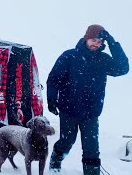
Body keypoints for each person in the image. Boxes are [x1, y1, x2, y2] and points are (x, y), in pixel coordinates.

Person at [46, 24, 129, 174]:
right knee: (66, 142)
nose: (96, 44)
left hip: (91, 113)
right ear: (86, 38)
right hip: (69, 111)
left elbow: (123, 68)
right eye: (94, 40)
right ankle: (56, 159)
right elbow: (53, 79)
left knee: (91, 149)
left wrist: (112, 42)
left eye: (100, 42)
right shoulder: (69, 56)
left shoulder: (103, 60)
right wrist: (51, 99)